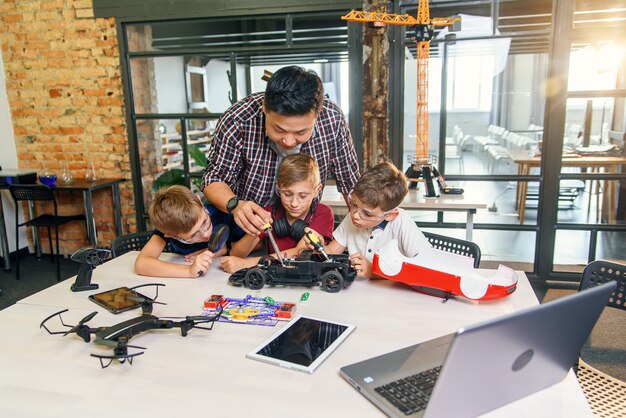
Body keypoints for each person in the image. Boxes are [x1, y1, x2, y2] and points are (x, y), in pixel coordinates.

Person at [202, 65, 359, 237]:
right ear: (264, 107)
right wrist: (235, 205)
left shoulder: (333, 119)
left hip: (301, 227)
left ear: (317, 114)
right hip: (246, 228)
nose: (289, 141)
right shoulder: (237, 120)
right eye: (279, 129)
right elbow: (215, 178)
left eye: (301, 132)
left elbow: (350, 182)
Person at [220, 153, 334, 274]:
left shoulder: (323, 213)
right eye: (288, 194)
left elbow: (300, 252)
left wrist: (247, 264)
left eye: (303, 196)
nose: (294, 203)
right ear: (278, 188)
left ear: (317, 191)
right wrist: (256, 230)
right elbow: (236, 253)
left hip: (306, 274)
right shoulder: (269, 212)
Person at [317, 161, 431, 279]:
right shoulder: (353, 219)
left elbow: (426, 270)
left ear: (390, 215)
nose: (355, 215)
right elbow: (331, 251)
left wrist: (373, 270)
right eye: (354, 204)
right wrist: (318, 247)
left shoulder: (401, 223)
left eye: (366, 213)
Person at [135, 185, 228, 278]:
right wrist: (189, 271)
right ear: (172, 236)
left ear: (200, 203)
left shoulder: (221, 213)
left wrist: (225, 248)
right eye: (193, 235)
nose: (206, 234)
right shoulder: (171, 227)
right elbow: (142, 264)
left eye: (204, 222)